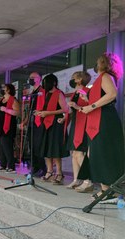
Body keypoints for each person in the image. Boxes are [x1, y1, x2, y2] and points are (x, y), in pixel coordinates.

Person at [78, 52, 124, 197]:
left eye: (98, 61)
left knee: (102, 153)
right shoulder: (102, 78)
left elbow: (112, 94)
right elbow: (102, 98)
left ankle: (108, 191)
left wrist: (90, 106)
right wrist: (87, 98)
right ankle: (106, 189)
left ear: (103, 63)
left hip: (105, 120)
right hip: (102, 118)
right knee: (99, 153)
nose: (96, 64)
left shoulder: (105, 76)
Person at [37, 74, 69, 185]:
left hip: (56, 123)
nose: (45, 85)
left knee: (55, 150)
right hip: (46, 123)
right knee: (46, 149)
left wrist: (48, 113)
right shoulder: (46, 94)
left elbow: (65, 109)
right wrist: (41, 113)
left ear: (54, 83)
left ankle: (59, 173)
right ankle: (49, 171)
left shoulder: (59, 93)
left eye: (47, 83)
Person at [65, 71, 93, 192]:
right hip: (76, 124)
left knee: (80, 153)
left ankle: (88, 181)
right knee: (74, 153)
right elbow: (73, 110)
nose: (71, 80)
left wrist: (76, 107)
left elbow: (91, 107)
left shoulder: (88, 92)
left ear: (80, 79)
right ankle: (77, 179)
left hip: (84, 125)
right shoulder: (75, 93)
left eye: (73, 78)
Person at [21, 72, 47, 176]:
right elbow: (30, 109)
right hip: (32, 122)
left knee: (38, 146)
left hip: (39, 122)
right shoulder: (33, 92)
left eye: (33, 77)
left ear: (39, 79)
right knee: (31, 146)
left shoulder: (42, 91)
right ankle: (34, 168)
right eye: (30, 77)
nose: (30, 79)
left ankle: (42, 168)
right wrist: (25, 121)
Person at [0, 84, 19, 173]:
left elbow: (17, 112)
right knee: (1, 146)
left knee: (7, 145)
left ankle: (11, 166)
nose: (2, 89)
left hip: (8, 126)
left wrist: (6, 110)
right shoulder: (2, 100)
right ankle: (3, 164)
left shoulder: (13, 100)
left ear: (9, 90)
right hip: (0, 126)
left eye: (4, 88)